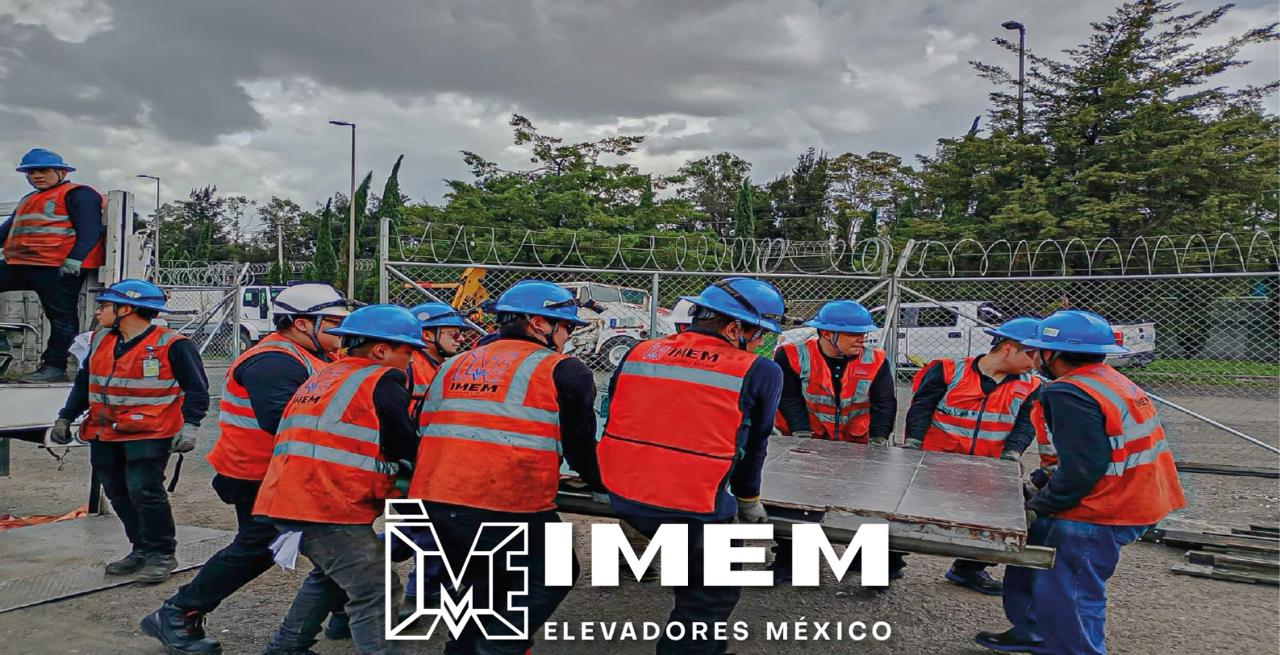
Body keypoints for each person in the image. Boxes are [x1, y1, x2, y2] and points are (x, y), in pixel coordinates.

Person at [139, 283, 353, 654]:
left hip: (279, 472)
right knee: (262, 547)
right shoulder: (273, 361)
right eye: (332, 322)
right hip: (257, 474)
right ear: (303, 324)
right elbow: (284, 422)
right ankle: (177, 612)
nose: (340, 332)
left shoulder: (311, 355)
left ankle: (345, 611)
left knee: (327, 546)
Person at [408, 280, 603, 655]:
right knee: (553, 574)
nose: (567, 337)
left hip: (435, 498)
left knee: (488, 584)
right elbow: (580, 446)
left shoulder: (455, 364)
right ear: (539, 324)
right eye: (566, 327)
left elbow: (429, 425)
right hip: (504, 500)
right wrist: (601, 483)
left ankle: (462, 650)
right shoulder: (562, 369)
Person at [977, 310, 1185, 655]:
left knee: (1069, 592)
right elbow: (1090, 451)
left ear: (1052, 355)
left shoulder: (1069, 393)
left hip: (1102, 507)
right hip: (1135, 494)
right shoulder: (1107, 380)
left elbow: (1083, 469)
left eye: (1040, 350)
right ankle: (1033, 633)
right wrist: (1041, 481)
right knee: (1031, 560)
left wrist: (1038, 505)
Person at [598, 277, 785, 655]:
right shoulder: (760, 370)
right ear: (734, 328)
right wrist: (748, 500)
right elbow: (755, 445)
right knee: (708, 599)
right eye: (759, 332)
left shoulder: (639, 352)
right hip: (694, 507)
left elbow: (617, 413)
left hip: (621, 495)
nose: (762, 341)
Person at [254, 304, 423, 655]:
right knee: (376, 588)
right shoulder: (381, 379)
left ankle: (286, 648)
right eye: (408, 352)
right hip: (325, 504)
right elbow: (402, 440)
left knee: (333, 575)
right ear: (380, 350)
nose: (410, 361)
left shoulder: (327, 375)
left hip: (295, 496)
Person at [50, 279, 209, 583]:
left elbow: (197, 390)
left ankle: (162, 554)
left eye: (105, 306)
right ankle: (141, 549)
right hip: (103, 432)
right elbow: (85, 381)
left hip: (149, 433)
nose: (98, 312)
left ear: (128, 309)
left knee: (145, 493)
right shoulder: (99, 339)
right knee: (118, 493)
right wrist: (65, 417)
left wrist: (190, 426)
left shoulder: (173, 345)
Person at [902, 316, 1042, 595]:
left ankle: (969, 568)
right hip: (934, 465)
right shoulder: (947, 371)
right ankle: (885, 562)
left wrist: (1012, 454)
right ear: (1008, 349)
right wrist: (912, 446)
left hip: (988, 469)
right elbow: (921, 408)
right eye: (1034, 354)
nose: (1038, 362)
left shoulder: (1031, 386)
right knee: (904, 514)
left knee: (1000, 521)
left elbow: (1026, 424)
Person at [771, 299, 900, 581]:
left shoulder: (875, 359)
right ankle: (791, 561)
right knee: (796, 503)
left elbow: (884, 403)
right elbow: (788, 397)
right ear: (827, 334)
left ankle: (869, 565)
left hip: (857, 445)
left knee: (867, 502)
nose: (863, 339)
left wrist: (879, 442)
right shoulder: (791, 356)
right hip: (806, 444)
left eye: (864, 333)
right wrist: (801, 434)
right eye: (855, 333)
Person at [1, 148, 105, 382]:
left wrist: (76, 258)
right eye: (30, 172)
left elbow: (91, 230)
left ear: (61, 171)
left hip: (55, 266)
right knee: (61, 316)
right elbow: (7, 231)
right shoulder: (28, 199)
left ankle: (55, 367)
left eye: (43, 170)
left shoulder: (79, 194)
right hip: (20, 262)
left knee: (61, 316)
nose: (36, 175)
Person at [405, 301, 479, 416]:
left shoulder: (445, 366)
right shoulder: (409, 364)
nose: (461, 339)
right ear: (427, 335)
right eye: (453, 333)